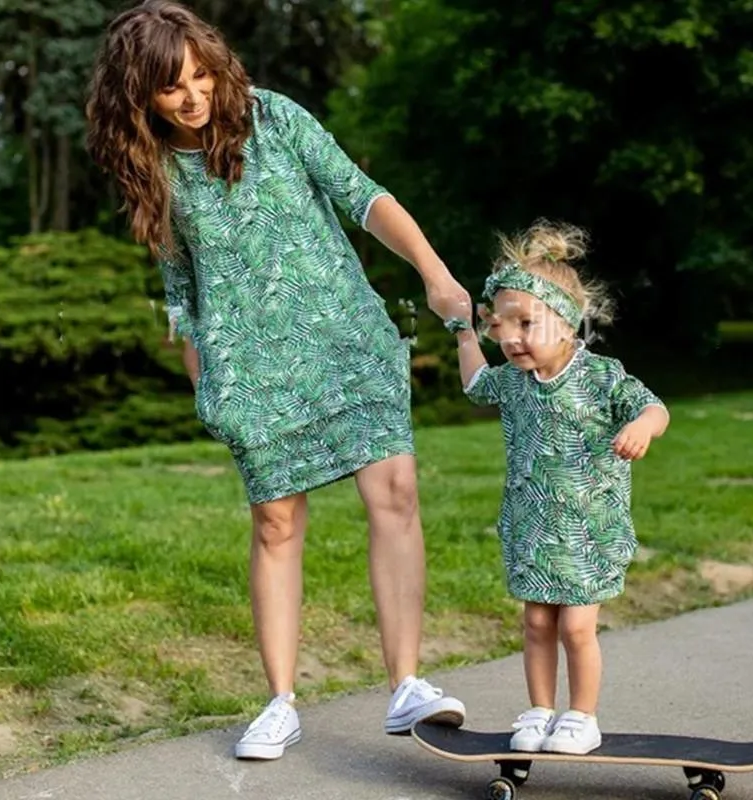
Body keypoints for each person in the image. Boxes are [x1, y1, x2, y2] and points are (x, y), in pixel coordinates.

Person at [85, 0, 468, 760]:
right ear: (141, 96)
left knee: (394, 495)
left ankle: (406, 686)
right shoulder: (152, 167)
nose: (194, 97)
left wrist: (435, 275)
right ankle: (281, 701)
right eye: (172, 89)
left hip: (345, 340)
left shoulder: (275, 119)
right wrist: (205, 380)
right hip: (250, 368)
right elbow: (180, 288)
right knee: (275, 524)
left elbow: (363, 195)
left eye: (200, 76)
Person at [445, 220, 669, 755]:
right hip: (534, 525)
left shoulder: (600, 376)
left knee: (576, 628)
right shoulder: (515, 381)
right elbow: (475, 385)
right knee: (537, 622)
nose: (513, 337)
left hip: (588, 528)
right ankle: (541, 709)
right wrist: (463, 332)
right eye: (503, 326)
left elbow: (652, 407)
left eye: (527, 323)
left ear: (567, 324)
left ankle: (581, 715)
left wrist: (642, 427)